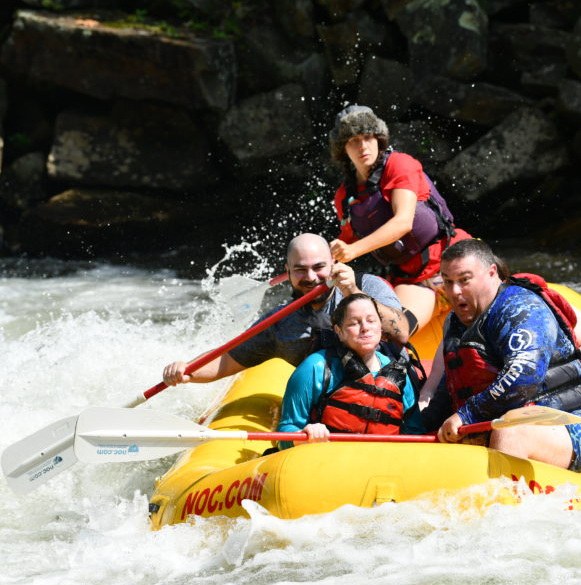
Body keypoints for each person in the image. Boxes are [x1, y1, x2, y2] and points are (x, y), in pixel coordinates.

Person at [421, 239, 581, 472]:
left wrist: (466, 415)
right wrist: (417, 428)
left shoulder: (520, 307)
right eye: (448, 282)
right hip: (488, 426)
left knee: (509, 431)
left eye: (464, 280)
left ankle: (505, 505)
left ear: (492, 273)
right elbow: (451, 388)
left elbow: (524, 377)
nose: (454, 292)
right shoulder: (454, 322)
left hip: (572, 424)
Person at [162, 233, 410, 387]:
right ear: (288, 271)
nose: (311, 277)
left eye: (319, 267)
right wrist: (187, 371)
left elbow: (401, 333)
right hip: (333, 415)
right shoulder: (280, 322)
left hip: (391, 392)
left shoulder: (367, 285)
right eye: (300, 269)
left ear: (334, 264)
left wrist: (353, 292)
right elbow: (227, 359)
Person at [326, 105, 472, 335]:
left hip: (452, 259)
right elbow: (344, 245)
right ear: (343, 148)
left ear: (379, 139)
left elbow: (403, 222)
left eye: (368, 137)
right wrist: (322, 262)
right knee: (397, 331)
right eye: (354, 140)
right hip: (412, 279)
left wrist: (352, 250)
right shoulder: (344, 197)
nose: (363, 146)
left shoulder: (399, 164)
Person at [276, 293, 426, 448]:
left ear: (381, 326)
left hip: (381, 464)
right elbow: (285, 432)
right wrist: (303, 435)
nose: (365, 328)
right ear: (338, 331)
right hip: (327, 461)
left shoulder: (400, 376)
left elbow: (415, 434)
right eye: (354, 323)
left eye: (371, 320)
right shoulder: (316, 368)